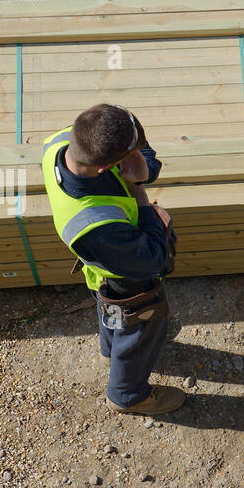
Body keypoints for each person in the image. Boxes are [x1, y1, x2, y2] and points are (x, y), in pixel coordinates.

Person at [41, 104, 184, 415]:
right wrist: (143, 201)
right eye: (133, 154)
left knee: (110, 311)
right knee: (141, 327)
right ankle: (128, 395)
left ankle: (110, 350)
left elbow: (137, 152)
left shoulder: (66, 142)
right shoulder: (96, 224)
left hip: (103, 272)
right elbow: (151, 259)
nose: (142, 154)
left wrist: (144, 167)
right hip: (128, 277)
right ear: (109, 168)